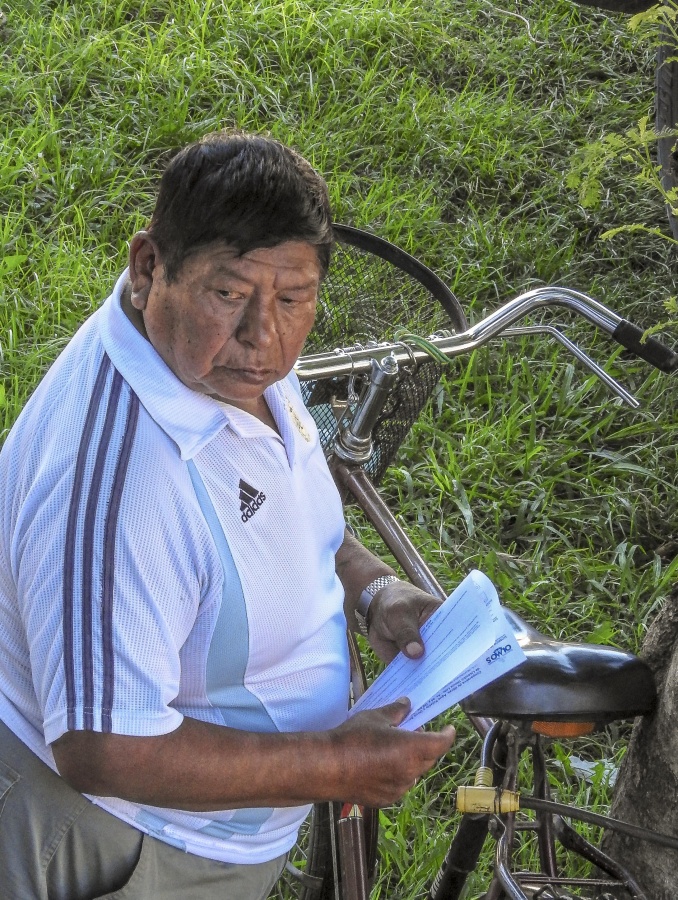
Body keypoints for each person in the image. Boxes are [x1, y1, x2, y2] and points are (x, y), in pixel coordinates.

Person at [0, 130, 455, 899]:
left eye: (293, 299)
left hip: (209, 833)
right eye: (229, 294)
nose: (264, 338)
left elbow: (275, 498)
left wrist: (368, 584)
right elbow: (101, 747)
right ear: (150, 268)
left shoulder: (219, 368)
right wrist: (336, 765)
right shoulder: (122, 485)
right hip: (120, 845)